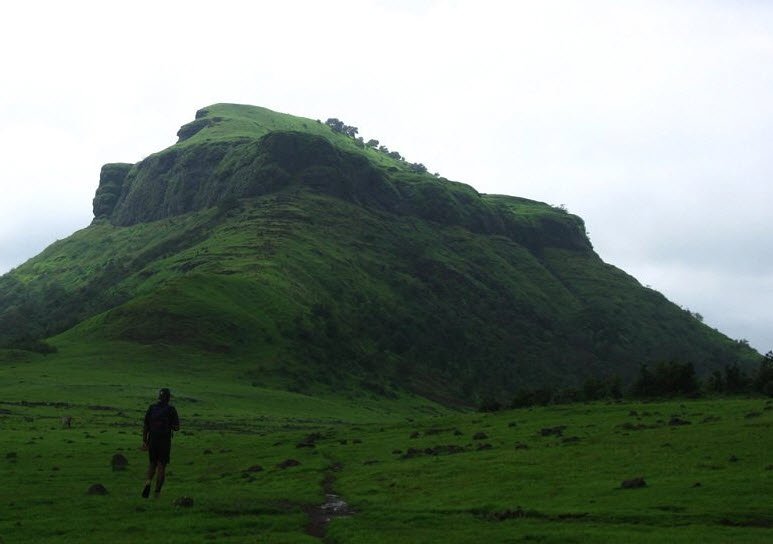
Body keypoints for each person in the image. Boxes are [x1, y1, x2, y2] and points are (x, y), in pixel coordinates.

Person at [141, 387, 180, 498]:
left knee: (152, 463)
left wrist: (144, 441)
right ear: (168, 398)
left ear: (159, 397)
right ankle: (157, 493)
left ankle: (148, 482)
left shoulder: (152, 408)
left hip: (152, 440)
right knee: (161, 466)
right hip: (164, 441)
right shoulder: (171, 409)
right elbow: (177, 427)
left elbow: (146, 426)